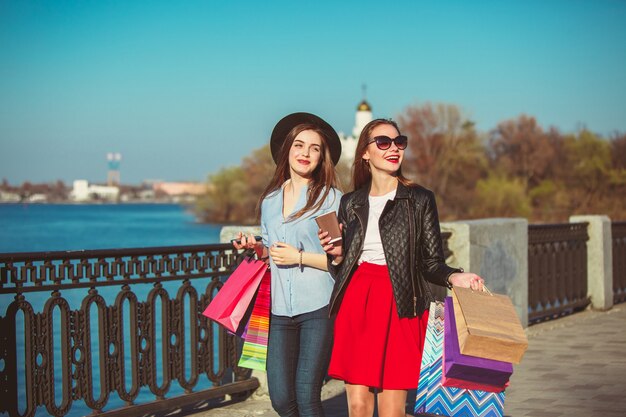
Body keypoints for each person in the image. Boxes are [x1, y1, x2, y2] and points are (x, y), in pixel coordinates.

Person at [319, 118, 485, 417]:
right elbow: (341, 268)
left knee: (392, 410)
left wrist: (454, 276)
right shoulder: (350, 202)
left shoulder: (419, 199)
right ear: (365, 153)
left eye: (399, 142)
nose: (394, 148)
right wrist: (337, 256)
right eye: (383, 142)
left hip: (400, 303)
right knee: (357, 406)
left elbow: (431, 261)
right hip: (356, 301)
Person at [234, 112, 343, 417]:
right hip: (279, 311)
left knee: (307, 397)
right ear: (287, 150)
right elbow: (270, 249)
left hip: (319, 309)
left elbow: (341, 259)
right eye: (299, 145)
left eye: (315, 148)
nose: (306, 153)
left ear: (323, 158)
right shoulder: (270, 200)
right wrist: (255, 246)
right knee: (281, 399)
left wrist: (299, 257)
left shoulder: (330, 199)